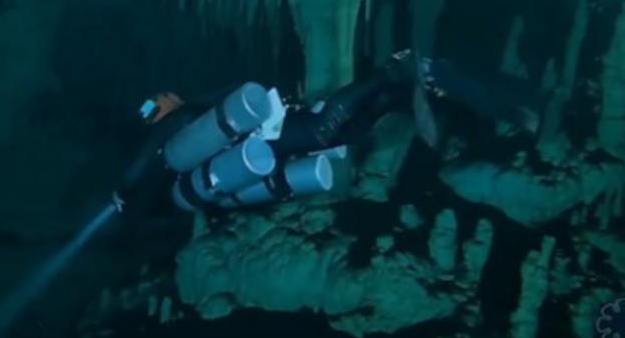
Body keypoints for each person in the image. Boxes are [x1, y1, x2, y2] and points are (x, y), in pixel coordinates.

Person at [112, 50, 543, 213]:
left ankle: (460, 98)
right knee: (372, 93)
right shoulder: (176, 129)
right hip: (305, 134)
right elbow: (141, 166)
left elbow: (243, 94)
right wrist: (124, 194)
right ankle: (402, 70)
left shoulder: (201, 111)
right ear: (153, 116)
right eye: (154, 103)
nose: (162, 97)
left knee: (388, 102)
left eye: (159, 96)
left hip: (310, 133)